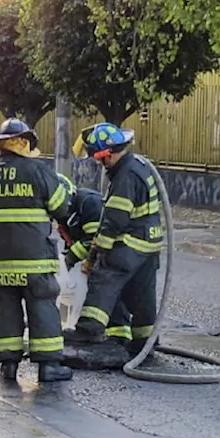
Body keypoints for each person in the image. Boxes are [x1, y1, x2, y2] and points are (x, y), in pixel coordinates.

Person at [0, 118, 74, 383]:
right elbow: (61, 208)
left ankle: (8, 365)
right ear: (24, 142)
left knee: (6, 311)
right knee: (42, 309)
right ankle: (48, 366)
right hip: (34, 262)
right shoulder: (39, 171)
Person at [64, 122, 165, 359]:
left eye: (99, 159)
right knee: (142, 293)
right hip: (150, 242)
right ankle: (145, 341)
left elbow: (114, 220)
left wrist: (97, 254)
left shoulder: (125, 176)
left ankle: (89, 329)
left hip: (130, 240)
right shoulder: (137, 165)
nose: (99, 163)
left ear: (107, 155)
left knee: (104, 277)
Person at [54, 175, 132, 348]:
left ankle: (117, 335)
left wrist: (70, 259)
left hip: (115, 250)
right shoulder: (64, 213)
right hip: (100, 253)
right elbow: (72, 240)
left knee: (106, 286)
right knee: (93, 288)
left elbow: (94, 240)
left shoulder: (89, 204)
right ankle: (105, 332)